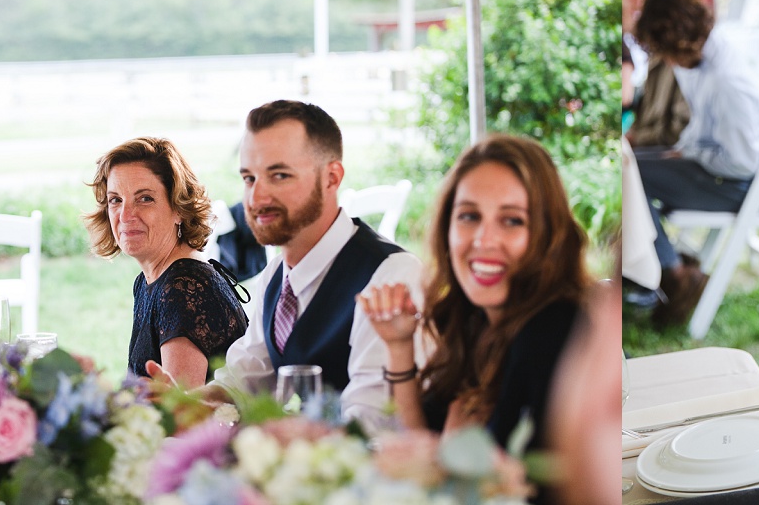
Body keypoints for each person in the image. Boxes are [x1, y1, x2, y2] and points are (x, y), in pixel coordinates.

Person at [190, 100, 424, 425]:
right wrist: (175, 407)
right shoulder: (275, 274)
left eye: (280, 175)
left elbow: (373, 423)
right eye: (249, 178)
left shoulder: (390, 276)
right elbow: (244, 382)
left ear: (331, 177)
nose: (256, 198)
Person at [359, 134, 587, 459]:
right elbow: (424, 449)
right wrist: (399, 347)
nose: (484, 239)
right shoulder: (475, 321)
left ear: (548, 234)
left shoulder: (555, 331)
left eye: (512, 220)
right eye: (469, 216)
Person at [632, 0, 759, 327]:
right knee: (631, 165)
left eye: (663, 52)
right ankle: (661, 270)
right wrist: (681, 149)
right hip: (719, 172)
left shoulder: (728, 81)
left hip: (739, 187)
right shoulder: (702, 59)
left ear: (678, 42)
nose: (666, 61)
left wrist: (690, 152)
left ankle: (674, 274)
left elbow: (743, 162)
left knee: (630, 176)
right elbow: (703, 122)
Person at [85, 137, 248, 387]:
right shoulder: (151, 280)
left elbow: (181, 414)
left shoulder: (183, 288)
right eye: (116, 200)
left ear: (179, 209)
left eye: (145, 198)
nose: (126, 215)